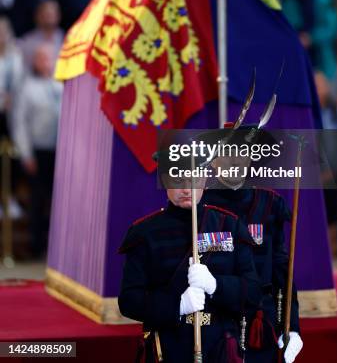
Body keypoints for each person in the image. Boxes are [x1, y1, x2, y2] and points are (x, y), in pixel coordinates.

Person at [118, 155, 261, 363]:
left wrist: (215, 285)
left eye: (194, 179)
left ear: (203, 179)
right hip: (167, 348)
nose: (187, 189)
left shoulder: (229, 225)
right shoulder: (144, 233)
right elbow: (129, 301)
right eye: (178, 179)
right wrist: (177, 305)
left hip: (220, 347)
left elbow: (253, 292)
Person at [203, 126, 303, 363]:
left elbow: (281, 269)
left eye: (243, 152)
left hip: (260, 319)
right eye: (227, 152)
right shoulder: (199, 207)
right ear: (213, 161)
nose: (235, 160)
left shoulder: (269, 204)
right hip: (214, 319)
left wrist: (293, 325)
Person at [12, 43, 63, 256]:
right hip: (38, 152)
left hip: (60, 152)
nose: (46, 62)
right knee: (38, 200)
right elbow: (19, 123)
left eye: (49, 58)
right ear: (35, 61)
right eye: (41, 58)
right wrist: (26, 154)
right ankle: (37, 245)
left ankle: (58, 247)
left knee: (59, 200)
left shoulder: (61, 85)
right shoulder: (27, 87)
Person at [281, 0, 337, 80]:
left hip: (320, 62)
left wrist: (311, 38)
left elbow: (331, 28)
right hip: (295, 62)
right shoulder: (285, 1)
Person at [19, 0, 64, 70]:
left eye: (51, 14)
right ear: (37, 16)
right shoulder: (27, 42)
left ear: (58, 16)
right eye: (45, 14)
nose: (49, 18)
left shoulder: (67, 38)